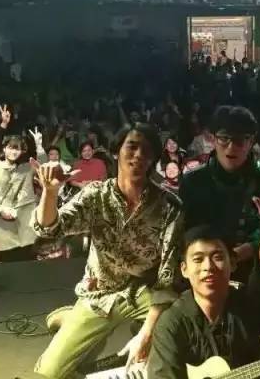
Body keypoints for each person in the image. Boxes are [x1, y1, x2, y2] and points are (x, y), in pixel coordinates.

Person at [32, 123, 184, 379]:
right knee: (50, 373)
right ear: (116, 151)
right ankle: (72, 318)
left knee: (172, 345)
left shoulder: (169, 206)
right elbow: (49, 229)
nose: (138, 154)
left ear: (153, 158)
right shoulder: (96, 195)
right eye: (132, 146)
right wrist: (50, 192)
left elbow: (167, 277)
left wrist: (147, 334)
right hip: (100, 293)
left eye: (146, 150)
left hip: (145, 294)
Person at [147, 187, 260, 379]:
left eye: (217, 257)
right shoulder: (172, 324)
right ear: (184, 269)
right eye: (198, 259)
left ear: (232, 263)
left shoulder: (248, 307)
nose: (208, 266)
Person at [179, 106, 260, 281]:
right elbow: (187, 228)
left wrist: (246, 249)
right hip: (205, 266)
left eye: (240, 140)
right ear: (213, 139)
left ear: (251, 141)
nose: (231, 146)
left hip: (254, 265)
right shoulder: (193, 181)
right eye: (224, 138)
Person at [0, 135, 38, 262]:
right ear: (4, 148)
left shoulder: (26, 168)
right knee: (9, 262)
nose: (13, 152)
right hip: (3, 226)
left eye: (17, 149)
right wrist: (0, 209)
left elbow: (45, 168)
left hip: (26, 227)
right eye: (10, 148)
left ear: (22, 151)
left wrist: (39, 146)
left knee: (29, 263)